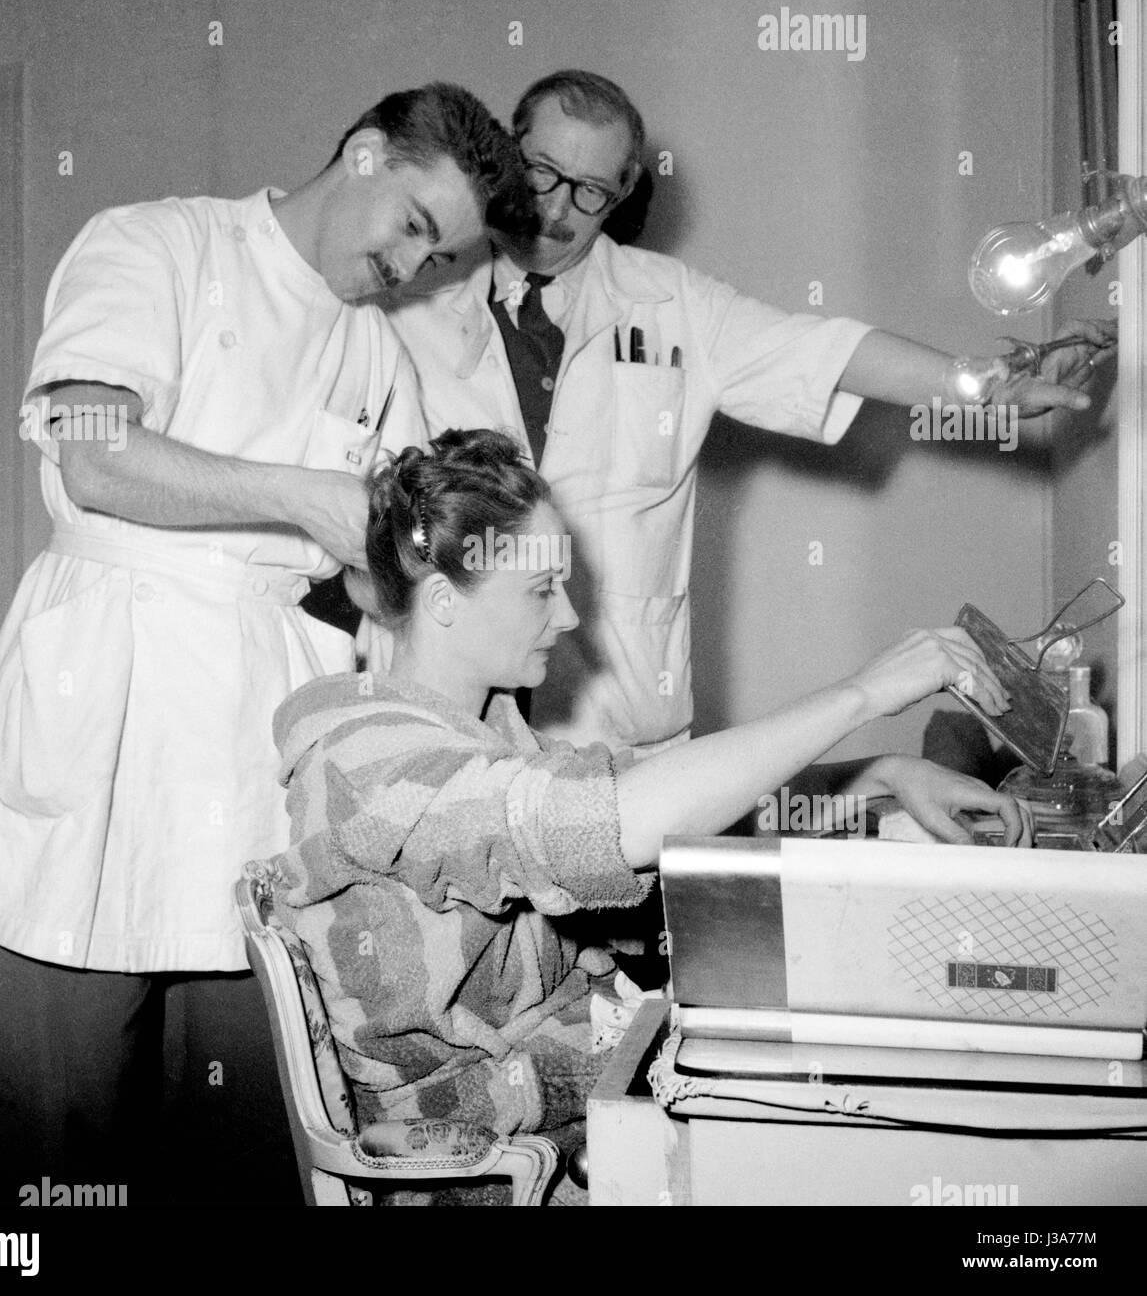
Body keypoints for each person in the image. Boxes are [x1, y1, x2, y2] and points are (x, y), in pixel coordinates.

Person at [0, 83, 535, 1202]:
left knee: (254, 1104)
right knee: (63, 1122)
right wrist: (301, 499)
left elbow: (383, 563)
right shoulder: (160, 243)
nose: (411, 269)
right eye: (410, 225)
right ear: (359, 153)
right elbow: (94, 448)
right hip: (114, 686)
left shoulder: (375, 350)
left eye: (440, 256)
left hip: (266, 718)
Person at [268, 429, 1026, 1198]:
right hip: (489, 1163)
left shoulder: (471, 732)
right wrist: (862, 695)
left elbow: (653, 787)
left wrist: (883, 776)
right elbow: (610, 819)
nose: (567, 615)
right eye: (540, 590)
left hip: (567, 1097)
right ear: (442, 603)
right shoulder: (373, 761)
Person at [385, 70, 1118, 754]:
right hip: (440, 710)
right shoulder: (415, 292)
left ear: (625, 191)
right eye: (540, 171)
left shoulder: (674, 304)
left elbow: (823, 351)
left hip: (613, 722)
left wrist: (979, 385)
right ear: (510, 152)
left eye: (589, 191)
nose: (553, 208)